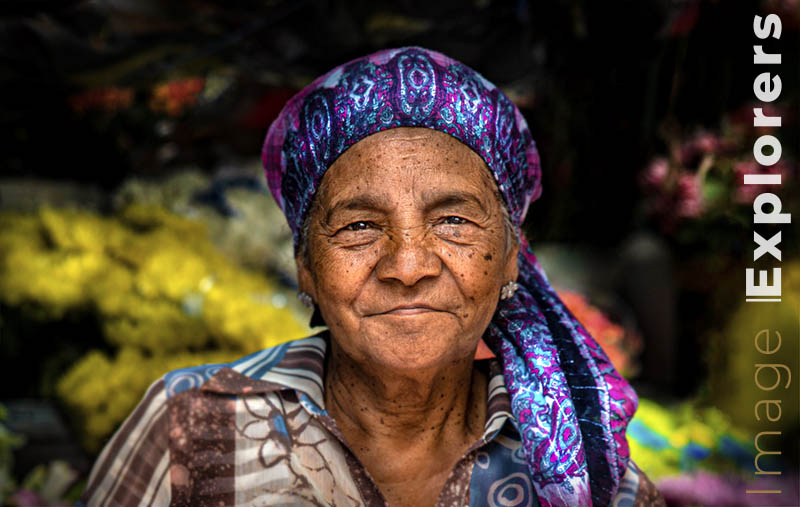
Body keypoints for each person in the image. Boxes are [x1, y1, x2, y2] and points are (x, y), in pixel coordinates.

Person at [79, 47, 665, 506]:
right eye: (358, 226)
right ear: (306, 267)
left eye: (454, 221)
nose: (407, 267)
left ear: (511, 255)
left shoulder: (585, 468)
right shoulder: (193, 425)